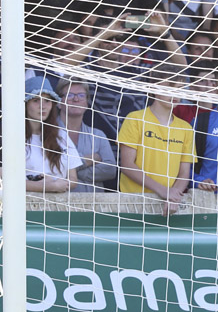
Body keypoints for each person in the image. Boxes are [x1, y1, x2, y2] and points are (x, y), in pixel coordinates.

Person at [118, 83, 196, 216]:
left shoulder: (186, 128)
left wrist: (173, 196)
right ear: (153, 89)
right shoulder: (135, 119)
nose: (175, 93)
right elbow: (127, 165)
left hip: (168, 205)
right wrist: (164, 191)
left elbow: (184, 173)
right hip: (133, 203)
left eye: (180, 88)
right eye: (170, 87)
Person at [56, 78, 118, 193]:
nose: (76, 99)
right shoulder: (48, 132)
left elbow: (110, 170)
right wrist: (86, 161)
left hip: (93, 207)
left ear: (87, 102)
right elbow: (49, 168)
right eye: (69, 95)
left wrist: (73, 174)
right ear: (59, 102)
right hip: (57, 206)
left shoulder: (98, 135)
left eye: (81, 95)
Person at [25, 76, 83, 195]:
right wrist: (46, 186)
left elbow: (73, 179)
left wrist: (56, 184)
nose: (43, 106)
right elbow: (4, 180)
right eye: (36, 100)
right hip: (21, 207)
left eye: (47, 100)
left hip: (57, 206)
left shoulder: (61, 135)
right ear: (25, 103)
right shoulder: (10, 136)